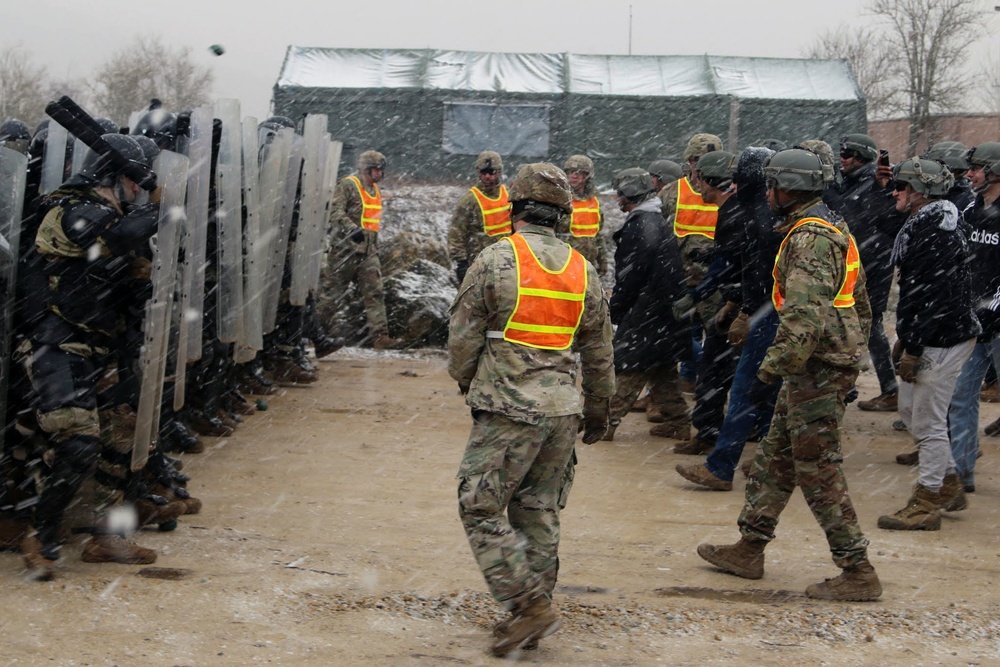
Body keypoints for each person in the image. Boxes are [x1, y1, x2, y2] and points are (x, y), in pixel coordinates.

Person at [697, 148, 882, 601]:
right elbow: (861, 304)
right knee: (776, 458)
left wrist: (771, 369)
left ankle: (857, 569)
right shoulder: (830, 225)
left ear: (786, 189)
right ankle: (750, 546)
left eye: (772, 186)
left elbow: (802, 316)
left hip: (817, 367)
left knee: (817, 468)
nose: (766, 194)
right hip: (820, 363)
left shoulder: (810, 238)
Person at [449, 163, 614, 656]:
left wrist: (468, 382)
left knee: (479, 505)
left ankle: (527, 606)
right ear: (561, 215)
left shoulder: (494, 259)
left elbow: (462, 340)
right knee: (537, 511)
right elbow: (601, 348)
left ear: (514, 209)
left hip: (508, 408)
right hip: (562, 410)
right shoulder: (582, 270)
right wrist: (600, 408)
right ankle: (533, 610)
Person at [19, 134, 167, 579]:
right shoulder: (70, 209)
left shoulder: (121, 216)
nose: (137, 191)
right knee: (77, 442)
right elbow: (114, 235)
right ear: (111, 177)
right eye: (133, 181)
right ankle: (40, 535)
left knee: (126, 432)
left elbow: (134, 287)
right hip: (56, 343)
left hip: (102, 346)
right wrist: (161, 206)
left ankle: (106, 534)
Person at [878, 157, 980, 531]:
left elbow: (932, 296)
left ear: (920, 193)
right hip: (933, 332)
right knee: (911, 411)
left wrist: (915, 346)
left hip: (944, 337)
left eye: (901, 187)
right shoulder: (925, 222)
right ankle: (949, 484)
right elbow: (916, 294)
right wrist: (906, 336)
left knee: (928, 422)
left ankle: (927, 501)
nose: (895, 193)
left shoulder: (936, 231)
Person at [675, 145, 780, 490]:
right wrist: (735, 302)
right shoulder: (758, 210)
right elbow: (746, 266)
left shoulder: (755, 216)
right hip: (765, 308)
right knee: (763, 386)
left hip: (767, 312)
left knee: (747, 389)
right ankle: (766, 460)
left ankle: (722, 468)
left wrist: (742, 307)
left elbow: (756, 270)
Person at [602, 168, 690, 442]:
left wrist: (615, 308)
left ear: (627, 195)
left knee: (629, 365)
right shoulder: (653, 221)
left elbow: (631, 278)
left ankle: (605, 423)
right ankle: (678, 421)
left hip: (647, 311)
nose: (617, 197)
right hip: (663, 311)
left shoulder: (641, 226)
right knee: (661, 367)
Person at [824, 134, 906, 412]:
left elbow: (850, 212)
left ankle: (885, 388)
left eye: (847, 154)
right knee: (858, 325)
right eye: (842, 153)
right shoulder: (856, 181)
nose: (842, 159)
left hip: (870, 265)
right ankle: (873, 386)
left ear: (861, 157)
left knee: (867, 326)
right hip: (860, 261)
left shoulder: (873, 184)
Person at [671, 151, 741, 453]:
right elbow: (727, 262)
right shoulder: (734, 212)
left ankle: (721, 445)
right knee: (717, 369)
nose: (697, 184)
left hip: (740, 306)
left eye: (702, 178)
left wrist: (735, 303)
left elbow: (736, 265)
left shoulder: (736, 216)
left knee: (732, 374)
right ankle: (710, 432)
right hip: (729, 301)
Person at [944, 142, 1000, 496]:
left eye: (978, 168)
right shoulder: (970, 209)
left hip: (996, 322)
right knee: (961, 397)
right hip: (974, 323)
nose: (970, 174)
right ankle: (962, 472)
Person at [322, 150, 398, 349]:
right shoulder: (348, 185)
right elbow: (335, 211)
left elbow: (372, 224)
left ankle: (380, 337)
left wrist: (374, 247)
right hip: (344, 251)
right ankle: (316, 335)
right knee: (332, 296)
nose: (380, 174)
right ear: (367, 169)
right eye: (377, 170)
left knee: (375, 293)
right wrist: (351, 229)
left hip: (368, 252)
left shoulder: (375, 191)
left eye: (381, 170)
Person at [447, 150, 511, 283]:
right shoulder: (469, 200)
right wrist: (462, 263)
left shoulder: (509, 195)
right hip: (479, 264)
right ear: (478, 172)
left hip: (508, 262)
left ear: (499, 172)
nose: (488, 176)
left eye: (492, 172)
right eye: (484, 172)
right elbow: (456, 232)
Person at [556, 154, 608, 277]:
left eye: (579, 172)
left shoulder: (594, 202)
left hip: (588, 266)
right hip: (564, 265)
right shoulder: (559, 200)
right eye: (570, 172)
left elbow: (598, 235)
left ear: (587, 176)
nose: (574, 176)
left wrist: (602, 260)